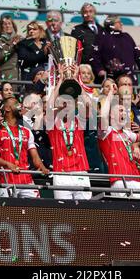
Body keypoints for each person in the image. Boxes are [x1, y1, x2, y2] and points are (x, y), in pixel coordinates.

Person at [0, 97, 49, 198]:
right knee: (8, 213)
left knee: (37, 210)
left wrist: (42, 167)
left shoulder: (27, 131)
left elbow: (35, 157)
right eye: (17, 104)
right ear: (7, 108)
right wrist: (9, 164)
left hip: (26, 180)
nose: (21, 106)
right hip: (6, 181)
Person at [47, 65, 93, 200]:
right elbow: (49, 108)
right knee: (64, 212)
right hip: (60, 173)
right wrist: (61, 79)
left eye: (70, 102)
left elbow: (89, 104)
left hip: (81, 172)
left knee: (85, 212)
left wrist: (76, 80)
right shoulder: (53, 124)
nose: (67, 105)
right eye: (64, 102)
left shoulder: (80, 122)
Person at [99, 84, 140, 198]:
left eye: (125, 111)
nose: (124, 113)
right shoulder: (107, 132)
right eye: (120, 111)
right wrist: (110, 95)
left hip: (136, 179)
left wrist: (137, 145)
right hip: (118, 179)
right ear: (111, 115)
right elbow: (103, 116)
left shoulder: (127, 134)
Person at [91, 15, 140, 85]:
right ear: (111, 24)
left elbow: (137, 54)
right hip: (111, 78)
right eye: (119, 22)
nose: (121, 24)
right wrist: (99, 69)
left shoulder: (127, 36)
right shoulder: (102, 37)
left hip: (130, 78)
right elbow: (94, 55)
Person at [71, 3, 104, 82]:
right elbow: (74, 50)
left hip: (101, 70)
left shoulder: (102, 30)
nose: (88, 14)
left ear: (94, 13)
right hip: (85, 69)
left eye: (90, 11)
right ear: (82, 15)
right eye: (85, 12)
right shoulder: (77, 30)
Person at [17, 21, 50, 89]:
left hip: (46, 77)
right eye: (29, 29)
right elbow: (26, 59)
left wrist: (50, 51)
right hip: (29, 77)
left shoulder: (46, 42)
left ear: (40, 30)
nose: (31, 31)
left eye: (34, 29)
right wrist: (43, 52)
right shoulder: (23, 43)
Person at [0, 15, 22, 80]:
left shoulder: (20, 39)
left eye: (9, 23)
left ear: (13, 25)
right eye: (5, 24)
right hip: (6, 74)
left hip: (21, 74)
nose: (7, 26)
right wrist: (13, 45)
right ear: (1, 27)